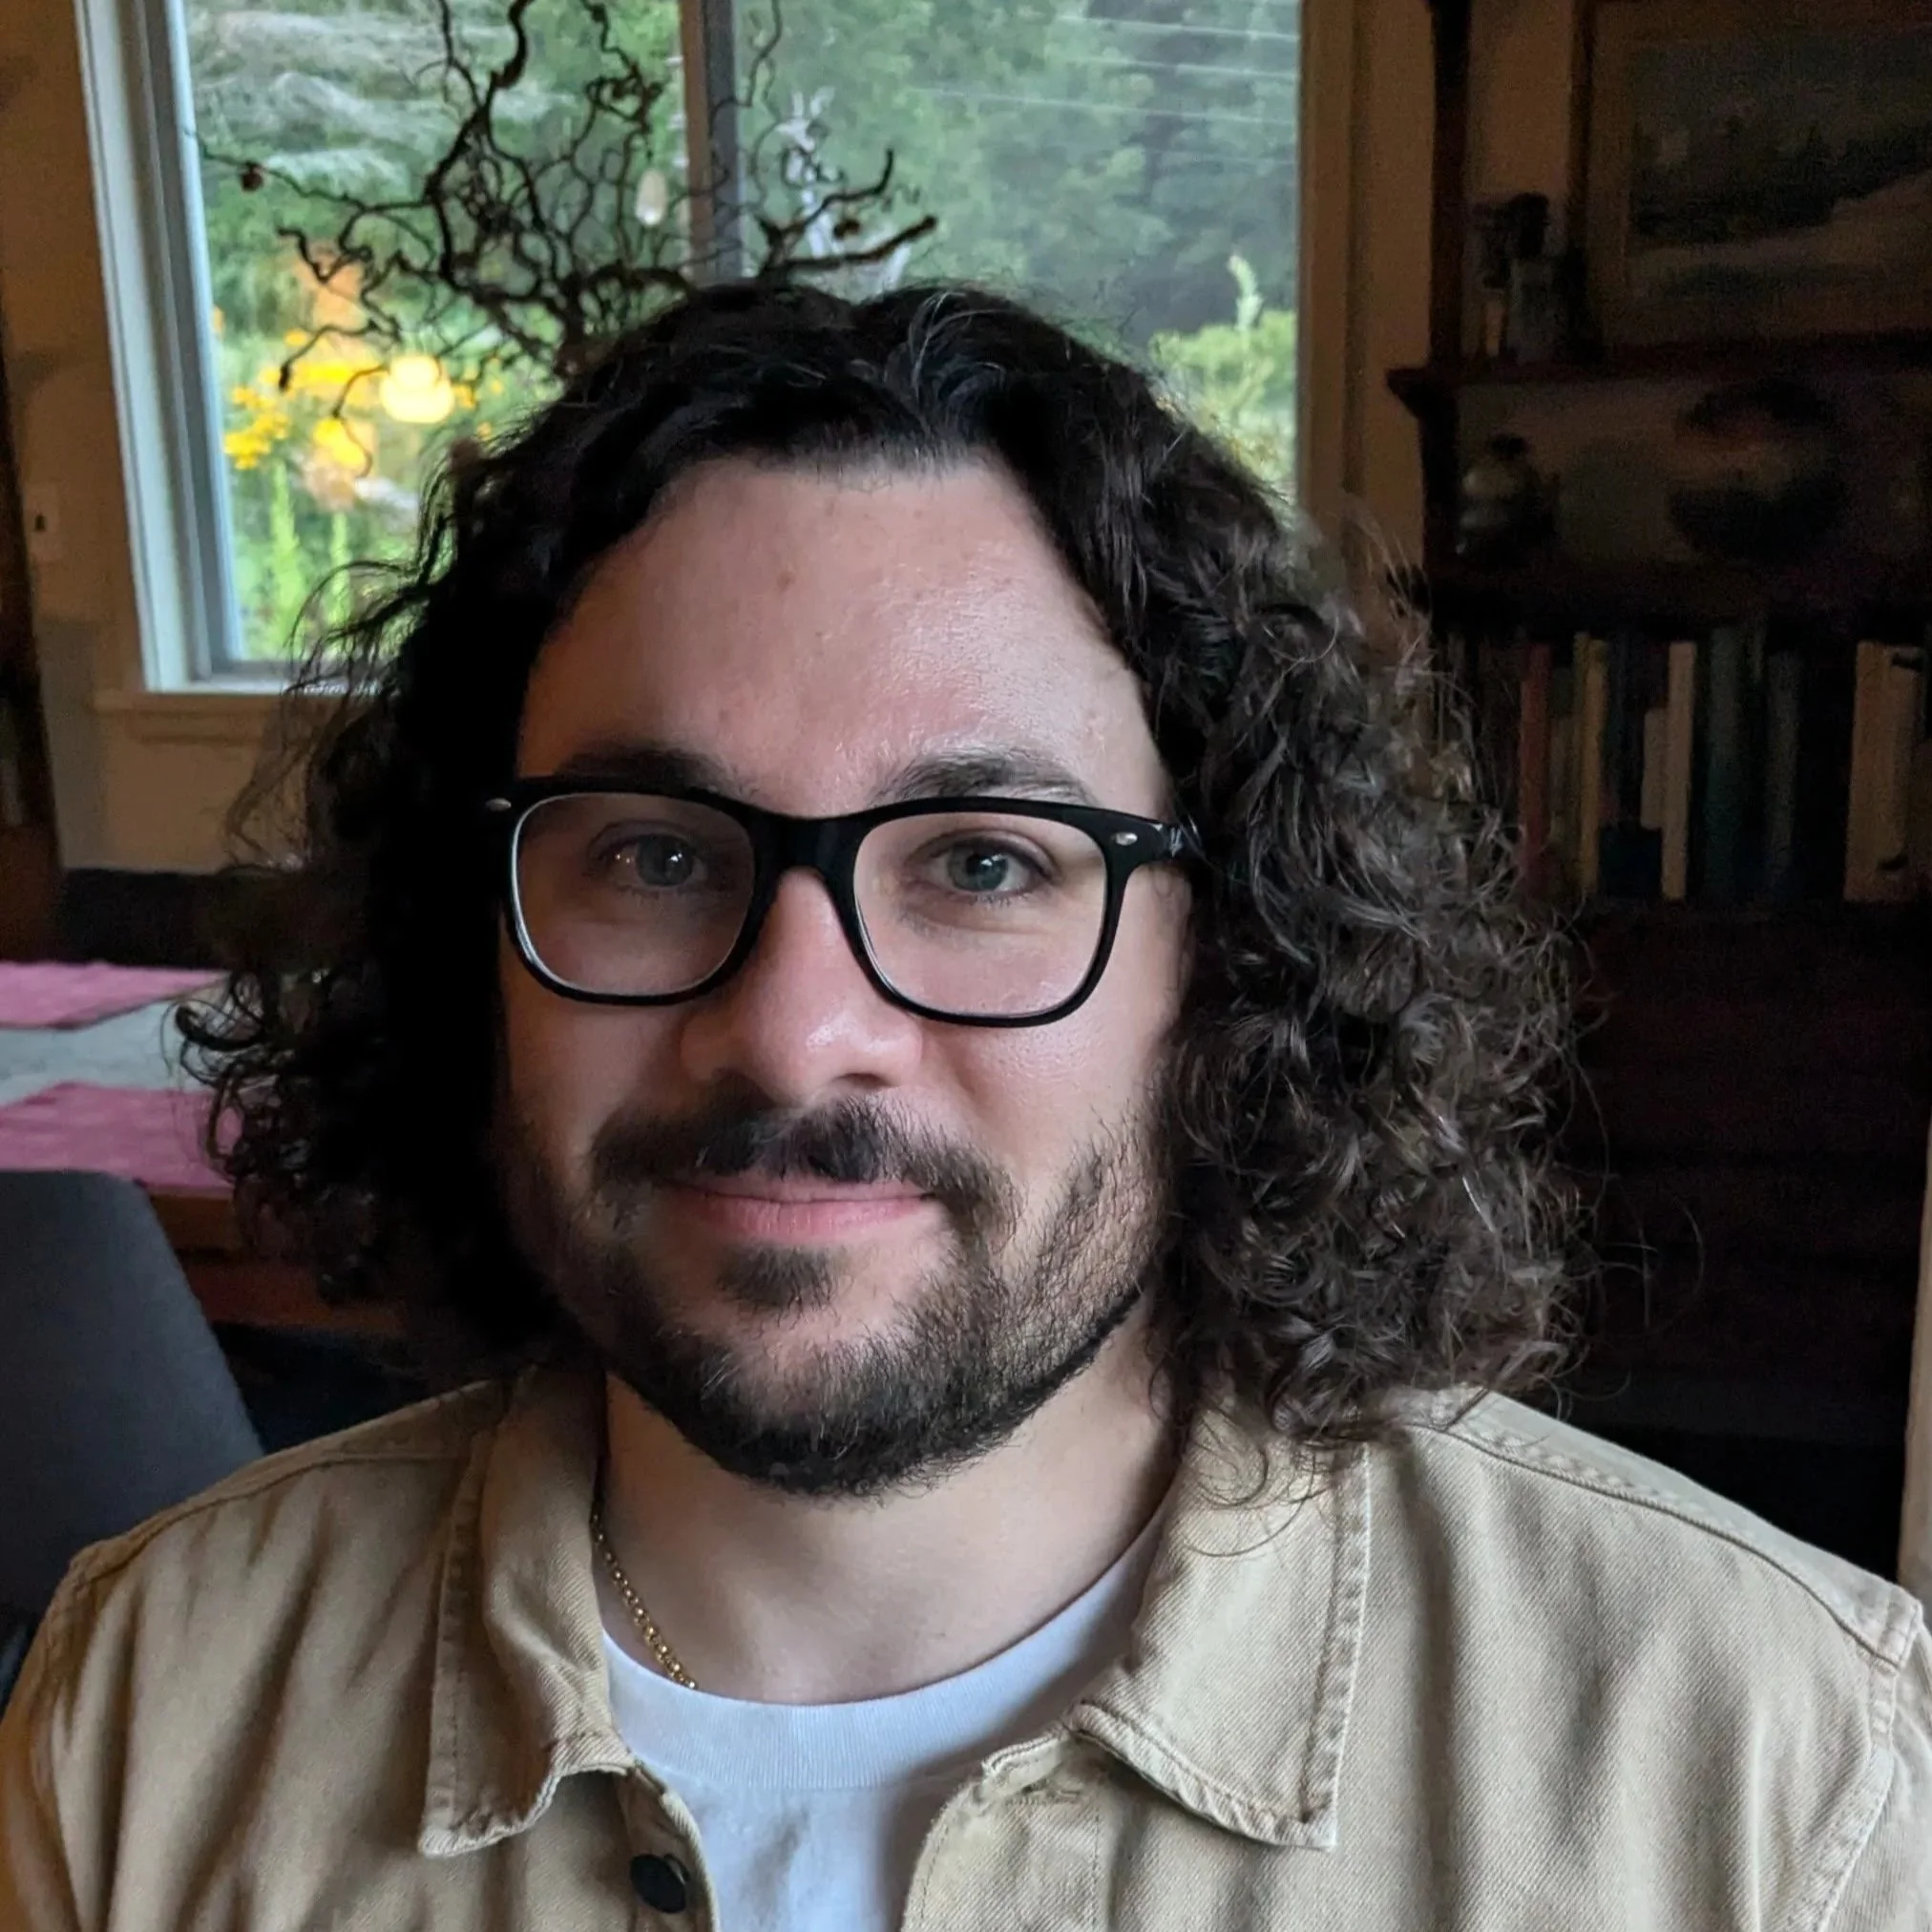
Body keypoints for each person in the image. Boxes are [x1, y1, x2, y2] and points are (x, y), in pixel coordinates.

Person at [1, 281, 1924, 1931]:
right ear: (468, 937)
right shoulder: (150, 1714)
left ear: (1229, 960)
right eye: (653, 855)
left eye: (985, 863)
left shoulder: (1778, 1779)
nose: (792, 1034)